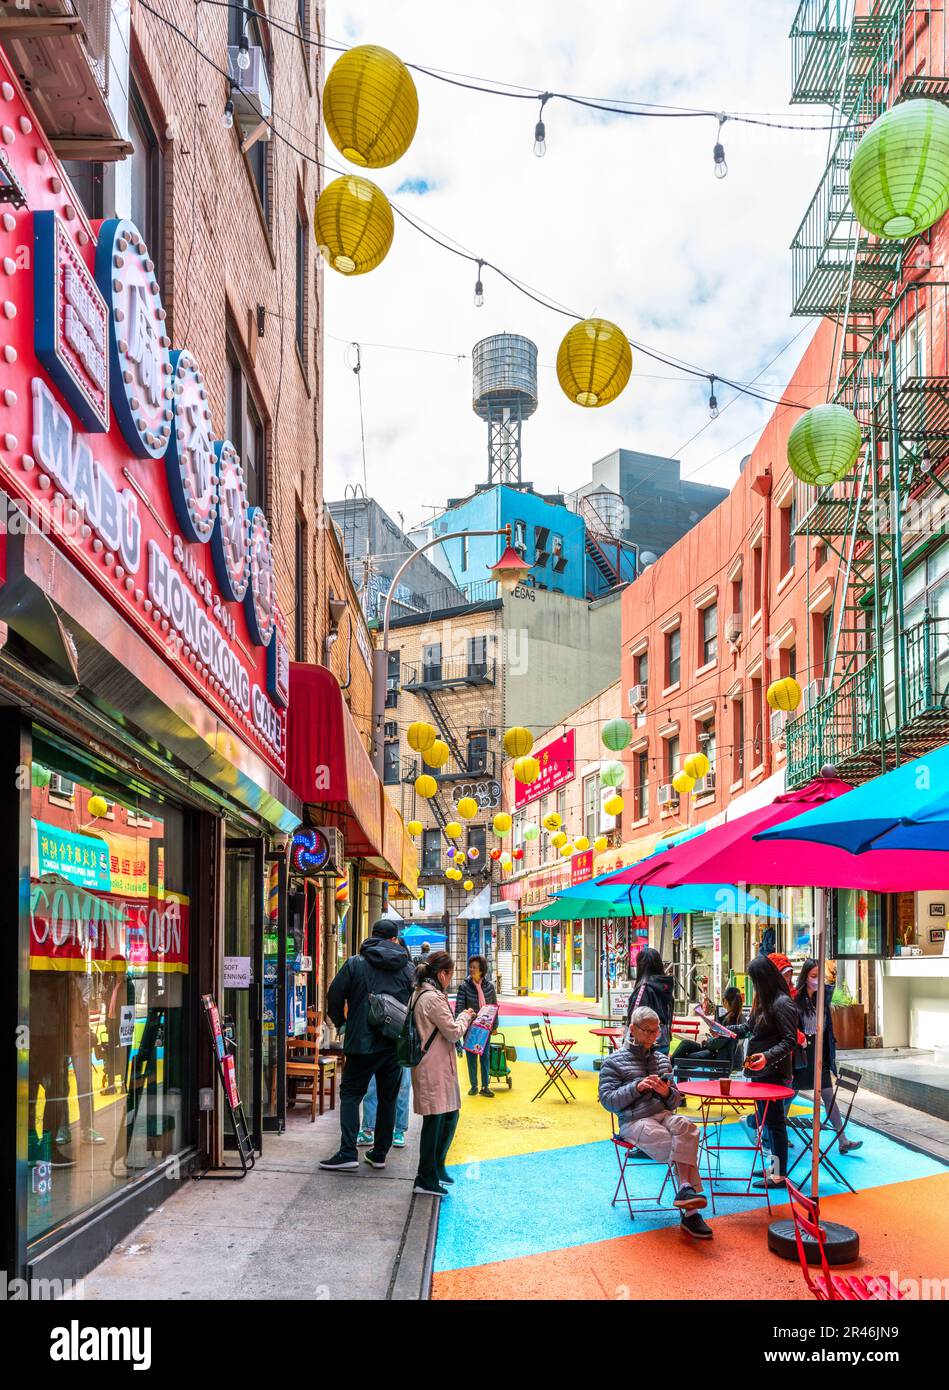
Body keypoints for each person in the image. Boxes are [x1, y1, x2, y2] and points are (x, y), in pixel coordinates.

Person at [599, 1005, 712, 1239]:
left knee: (687, 1127)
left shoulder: (662, 1060)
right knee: (669, 1139)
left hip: (663, 1114)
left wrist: (665, 1093)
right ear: (632, 1029)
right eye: (648, 1031)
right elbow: (608, 1101)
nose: (653, 1036)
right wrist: (637, 1087)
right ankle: (690, 1209)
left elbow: (674, 1101)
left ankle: (684, 1190)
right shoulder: (614, 1062)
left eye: (656, 1031)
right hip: (633, 1120)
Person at [319, 920, 416, 1173]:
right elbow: (415, 1005)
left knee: (351, 1095)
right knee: (388, 1099)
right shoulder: (407, 968)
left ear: (372, 936)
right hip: (394, 1045)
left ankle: (348, 1151)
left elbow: (333, 996)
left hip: (361, 1043)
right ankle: (380, 1153)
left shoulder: (355, 963)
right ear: (395, 939)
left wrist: (342, 1023)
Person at [408, 951, 475, 1196]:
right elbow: (453, 1032)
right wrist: (465, 1017)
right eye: (450, 974)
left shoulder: (420, 994)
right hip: (433, 1067)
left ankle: (435, 1168)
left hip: (433, 1065)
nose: (451, 979)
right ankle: (426, 1176)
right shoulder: (433, 998)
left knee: (446, 1116)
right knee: (436, 1120)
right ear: (442, 973)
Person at [732, 954, 798, 1189]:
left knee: (775, 1122)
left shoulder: (781, 1003)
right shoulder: (764, 1001)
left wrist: (767, 1057)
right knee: (768, 1122)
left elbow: (791, 1040)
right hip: (760, 1071)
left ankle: (779, 1174)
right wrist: (724, 1030)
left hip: (773, 1072)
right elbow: (748, 1028)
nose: (752, 986)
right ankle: (774, 1167)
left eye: (754, 980)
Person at [793, 958, 862, 1155]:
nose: (817, 980)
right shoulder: (796, 1000)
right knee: (789, 1095)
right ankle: (766, 1130)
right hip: (802, 1054)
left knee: (828, 1096)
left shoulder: (822, 998)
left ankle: (842, 1139)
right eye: (813, 976)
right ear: (805, 977)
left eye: (819, 976)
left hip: (819, 1055)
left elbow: (826, 1028)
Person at [454, 955, 498, 1098]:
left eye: (475, 967)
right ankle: (474, 1086)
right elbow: (459, 1008)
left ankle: (485, 1086)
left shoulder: (489, 987)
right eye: (470, 966)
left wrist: (495, 1025)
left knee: (485, 1057)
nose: (471, 969)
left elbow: (494, 1007)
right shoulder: (464, 987)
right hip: (471, 1029)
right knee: (471, 1058)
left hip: (485, 1029)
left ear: (482, 970)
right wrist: (462, 1022)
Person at [674, 986, 744, 1063]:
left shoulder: (730, 1019)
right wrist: (716, 1035)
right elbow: (724, 1039)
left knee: (686, 1052)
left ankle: (669, 1067)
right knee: (686, 1045)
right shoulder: (740, 1018)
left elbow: (718, 1043)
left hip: (721, 1056)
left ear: (726, 1002)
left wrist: (706, 1043)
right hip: (726, 1054)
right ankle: (669, 1066)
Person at [625, 948, 674, 1052]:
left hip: (645, 1044)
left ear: (641, 966)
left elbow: (634, 1017)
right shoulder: (665, 988)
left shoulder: (644, 989)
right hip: (664, 1040)